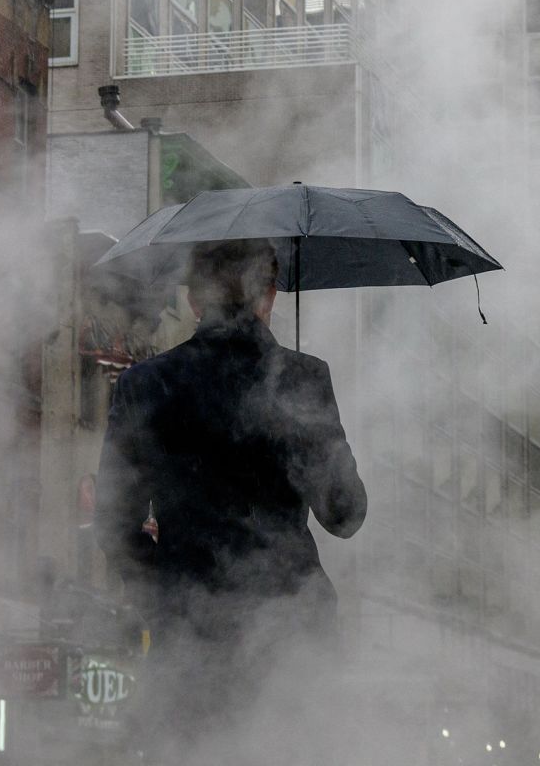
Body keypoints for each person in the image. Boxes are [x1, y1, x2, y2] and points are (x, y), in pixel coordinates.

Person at [95, 238, 367, 762]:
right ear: (268, 297)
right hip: (291, 637)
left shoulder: (146, 384)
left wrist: (167, 591)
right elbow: (345, 514)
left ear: (195, 301)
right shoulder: (304, 379)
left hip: (190, 641)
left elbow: (113, 521)